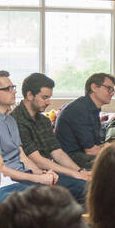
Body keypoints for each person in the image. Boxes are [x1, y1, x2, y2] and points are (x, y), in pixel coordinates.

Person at [11, 72, 91, 204]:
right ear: (30, 95)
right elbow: (37, 160)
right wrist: (75, 174)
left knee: (93, 182)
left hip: (50, 171)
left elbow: (57, 152)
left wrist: (80, 171)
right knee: (85, 187)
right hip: (33, 175)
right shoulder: (15, 120)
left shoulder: (43, 120)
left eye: (49, 97)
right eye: (44, 97)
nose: (48, 102)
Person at [0, 70, 57, 205]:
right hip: (4, 182)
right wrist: (36, 178)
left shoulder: (10, 120)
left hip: (21, 176)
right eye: (8, 89)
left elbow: (22, 156)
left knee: (59, 194)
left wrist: (42, 174)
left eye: (13, 87)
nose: (14, 91)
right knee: (45, 202)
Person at [54, 71, 115, 170]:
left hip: (82, 155)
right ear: (94, 87)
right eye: (109, 89)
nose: (112, 94)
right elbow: (91, 151)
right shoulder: (79, 109)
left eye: (113, 91)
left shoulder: (91, 108)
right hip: (71, 159)